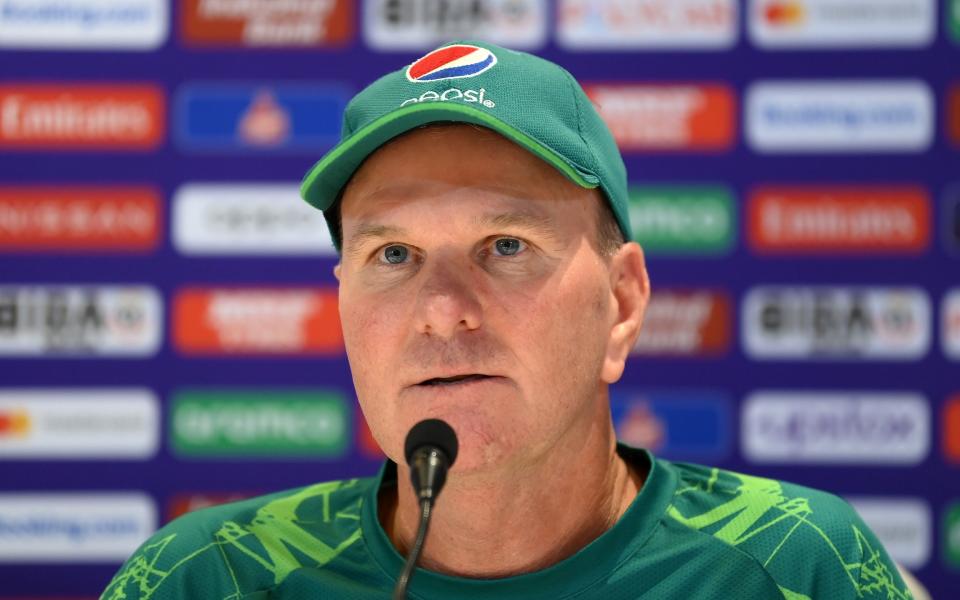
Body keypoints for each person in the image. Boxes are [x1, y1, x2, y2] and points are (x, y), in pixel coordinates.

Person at [102, 41, 914, 600]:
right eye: (394, 256)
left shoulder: (797, 562)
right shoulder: (207, 577)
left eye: (505, 245)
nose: (443, 311)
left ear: (623, 304)